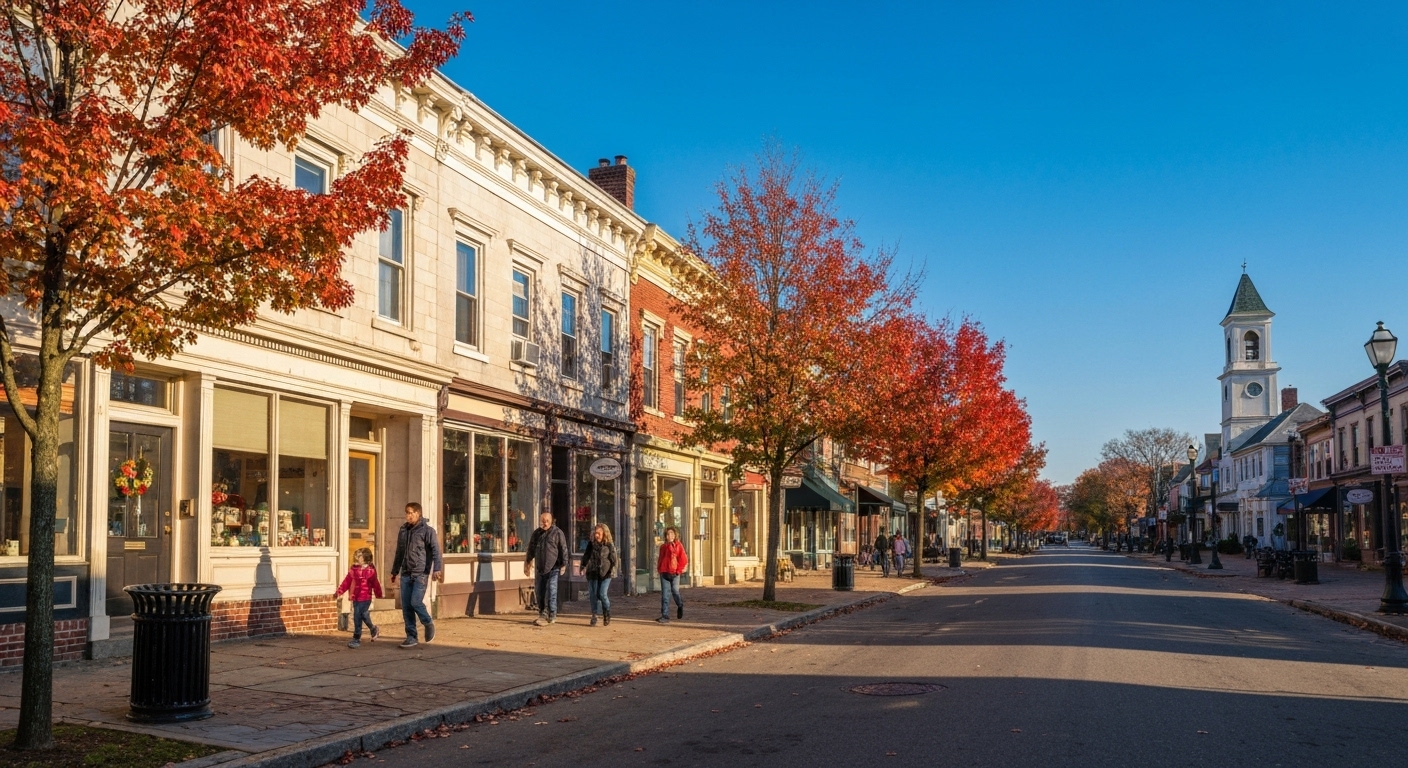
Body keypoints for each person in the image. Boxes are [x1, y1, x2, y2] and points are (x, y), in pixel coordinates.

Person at [390, 502, 442, 649]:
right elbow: (399, 553)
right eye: (407, 512)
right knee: (406, 607)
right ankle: (411, 636)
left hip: (421, 573)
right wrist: (394, 571)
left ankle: (427, 622)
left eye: (411, 512)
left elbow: (436, 551)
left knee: (415, 602)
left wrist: (437, 568)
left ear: (418, 513)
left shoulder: (427, 531)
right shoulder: (403, 530)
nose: (408, 515)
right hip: (406, 573)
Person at [524, 512, 568, 626]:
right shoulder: (537, 533)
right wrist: (528, 563)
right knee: (540, 591)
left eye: (547, 521)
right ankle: (542, 612)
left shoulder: (557, 533)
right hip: (540, 567)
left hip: (554, 567)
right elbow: (531, 548)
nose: (544, 523)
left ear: (551, 521)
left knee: (552, 591)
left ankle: (552, 613)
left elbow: (563, 548)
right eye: (542, 521)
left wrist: (564, 564)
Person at [335, 547, 383, 648]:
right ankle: (373, 629)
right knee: (363, 615)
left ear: (365, 558)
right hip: (355, 597)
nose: (357, 559)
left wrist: (379, 594)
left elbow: (376, 584)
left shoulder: (371, 571)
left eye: (359, 557)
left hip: (366, 598)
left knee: (358, 616)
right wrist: (339, 591)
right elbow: (346, 582)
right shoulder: (354, 570)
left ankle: (356, 638)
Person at [580, 523, 619, 626]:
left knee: (602, 594)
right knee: (593, 595)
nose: (596, 535)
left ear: (604, 534)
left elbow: (614, 559)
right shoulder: (591, 544)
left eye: (599, 533)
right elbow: (586, 556)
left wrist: (613, 570)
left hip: (606, 573)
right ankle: (594, 615)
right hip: (592, 572)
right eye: (595, 533)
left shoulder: (609, 545)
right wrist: (582, 566)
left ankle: (606, 613)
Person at [657, 526, 688, 623]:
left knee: (675, 591)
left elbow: (684, 560)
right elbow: (661, 559)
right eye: (668, 534)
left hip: (675, 573)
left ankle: (680, 605)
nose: (669, 536)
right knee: (665, 595)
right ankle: (665, 615)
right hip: (664, 572)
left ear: (675, 535)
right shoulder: (663, 547)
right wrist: (660, 569)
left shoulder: (679, 546)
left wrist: (678, 571)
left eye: (671, 534)